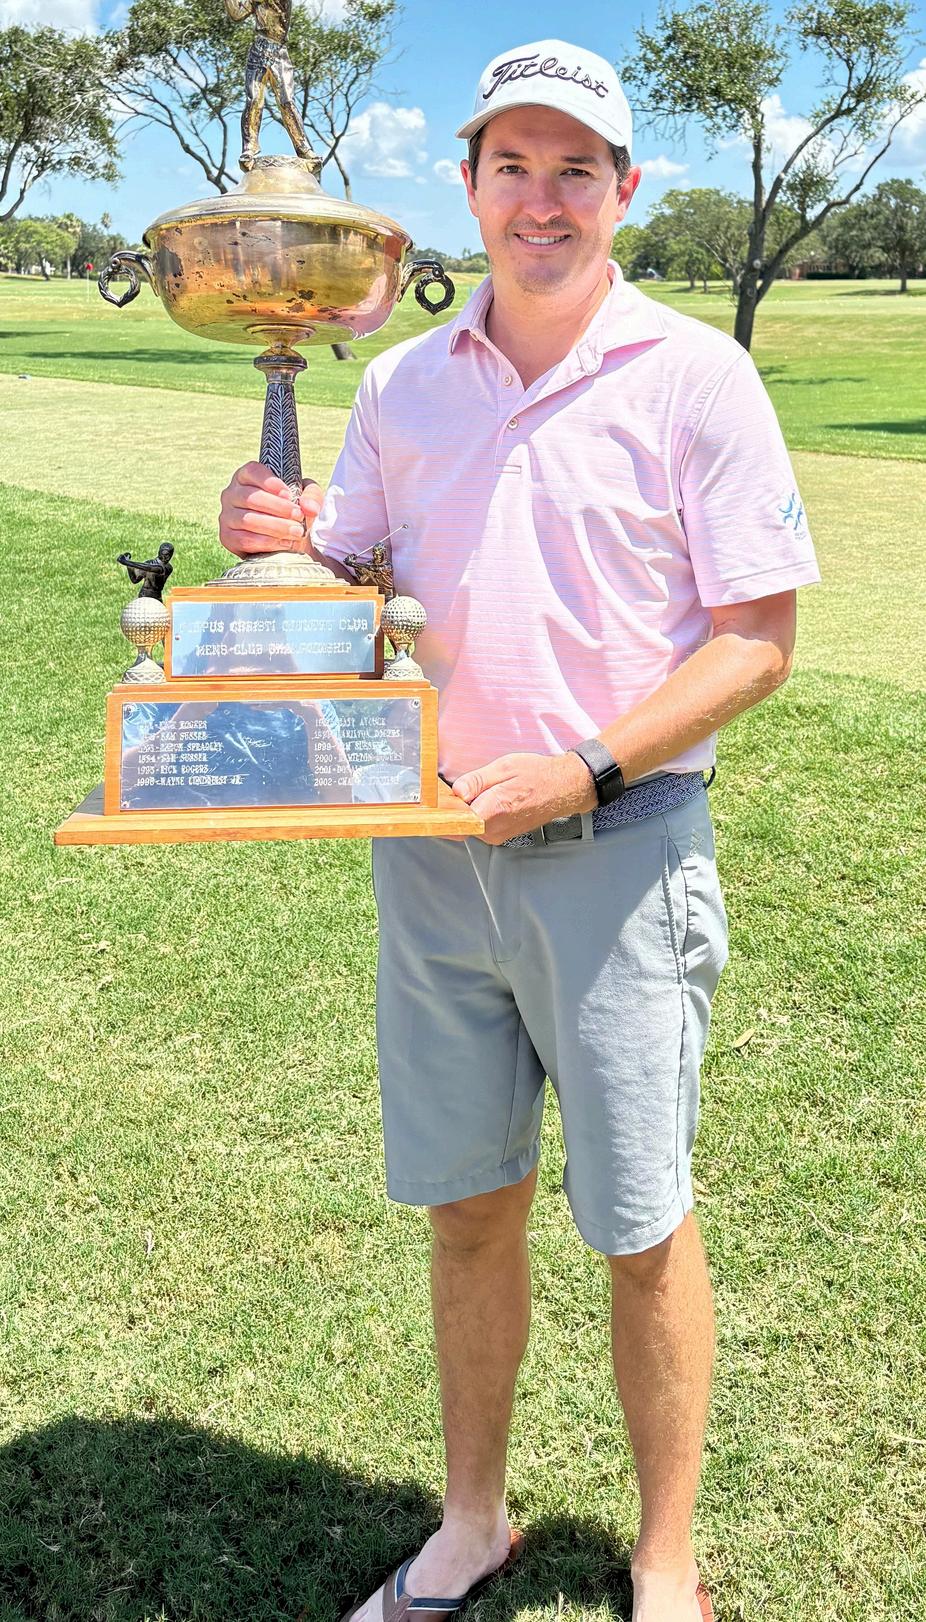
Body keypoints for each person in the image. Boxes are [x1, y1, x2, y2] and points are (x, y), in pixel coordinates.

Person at [218, 39, 820, 1622]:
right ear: (470, 186)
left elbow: (757, 640)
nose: (538, 200)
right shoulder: (403, 382)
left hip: (617, 858)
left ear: (623, 189)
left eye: (572, 170)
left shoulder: (696, 375)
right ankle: (471, 1521)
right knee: (467, 1210)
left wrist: (585, 768)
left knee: (640, 1224)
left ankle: (664, 1556)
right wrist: (274, 540)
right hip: (429, 857)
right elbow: (350, 585)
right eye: (510, 167)